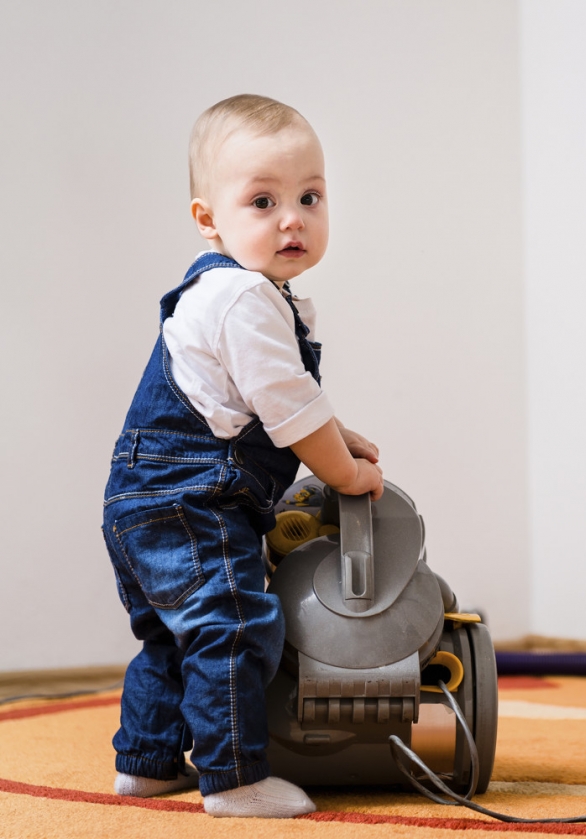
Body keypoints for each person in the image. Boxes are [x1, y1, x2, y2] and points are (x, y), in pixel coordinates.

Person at [101, 94, 383, 818]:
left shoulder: (248, 296)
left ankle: (145, 760)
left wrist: (337, 429)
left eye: (309, 196)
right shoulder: (243, 299)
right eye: (263, 200)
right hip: (188, 495)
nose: (293, 217)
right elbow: (288, 410)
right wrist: (343, 472)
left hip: (144, 495)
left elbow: (273, 397)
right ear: (209, 219)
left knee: (172, 633)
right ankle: (232, 778)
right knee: (233, 622)